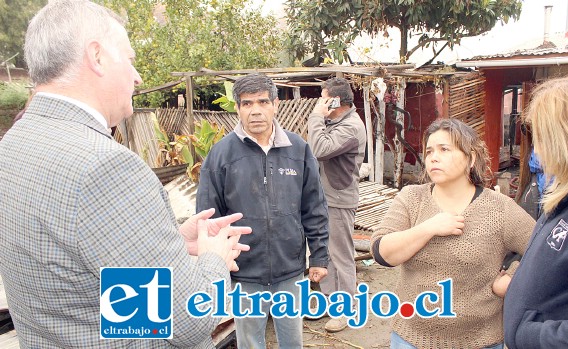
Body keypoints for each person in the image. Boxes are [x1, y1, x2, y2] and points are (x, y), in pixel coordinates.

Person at [0, 1, 250, 348]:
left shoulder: (14, 142)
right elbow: (186, 322)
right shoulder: (106, 166)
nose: (137, 76)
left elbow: (70, 260)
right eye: (130, 59)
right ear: (97, 56)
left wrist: (171, 243)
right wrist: (214, 259)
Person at [370, 118, 535, 349]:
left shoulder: (499, 208)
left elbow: (543, 250)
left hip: (481, 340)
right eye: (429, 151)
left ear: (471, 158)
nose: (433, 157)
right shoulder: (411, 198)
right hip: (411, 338)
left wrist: (511, 278)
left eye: (444, 149)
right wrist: (429, 228)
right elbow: (382, 253)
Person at [196, 73, 329, 349]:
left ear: (275, 104)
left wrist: (318, 256)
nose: (255, 110)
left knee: (293, 341)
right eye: (247, 104)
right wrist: (216, 266)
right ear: (237, 108)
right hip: (244, 272)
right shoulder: (221, 155)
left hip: (290, 270)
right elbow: (208, 216)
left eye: (262, 101)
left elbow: (314, 206)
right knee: (250, 343)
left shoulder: (298, 149)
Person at [504, 76, 568, 349]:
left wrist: (530, 335)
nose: (537, 149)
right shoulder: (564, 200)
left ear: (567, 138)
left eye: (543, 136)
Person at [306, 77, 367, 332]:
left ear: (335, 100)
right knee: (324, 253)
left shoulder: (351, 126)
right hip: (324, 197)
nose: (320, 102)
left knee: (340, 255)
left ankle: (347, 310)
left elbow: (319, 148)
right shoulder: (337, 121)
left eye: (323, 97)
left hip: (339, 199)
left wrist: (316, 115)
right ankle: (333, 305)